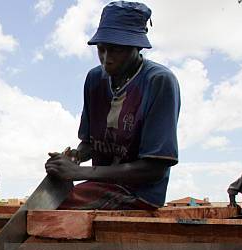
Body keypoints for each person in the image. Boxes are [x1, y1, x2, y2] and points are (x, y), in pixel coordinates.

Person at [45, 1, 180, 210]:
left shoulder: (158, 81)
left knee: (53, 212)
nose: (106, 59)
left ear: (137, 47)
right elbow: (90, 144)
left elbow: (155, 169)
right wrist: (74, 158)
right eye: (101, 49)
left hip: (139, 192)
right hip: (100, 184)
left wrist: (80, 173)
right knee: (43, 205)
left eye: (115, 50)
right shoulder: (94, 79)